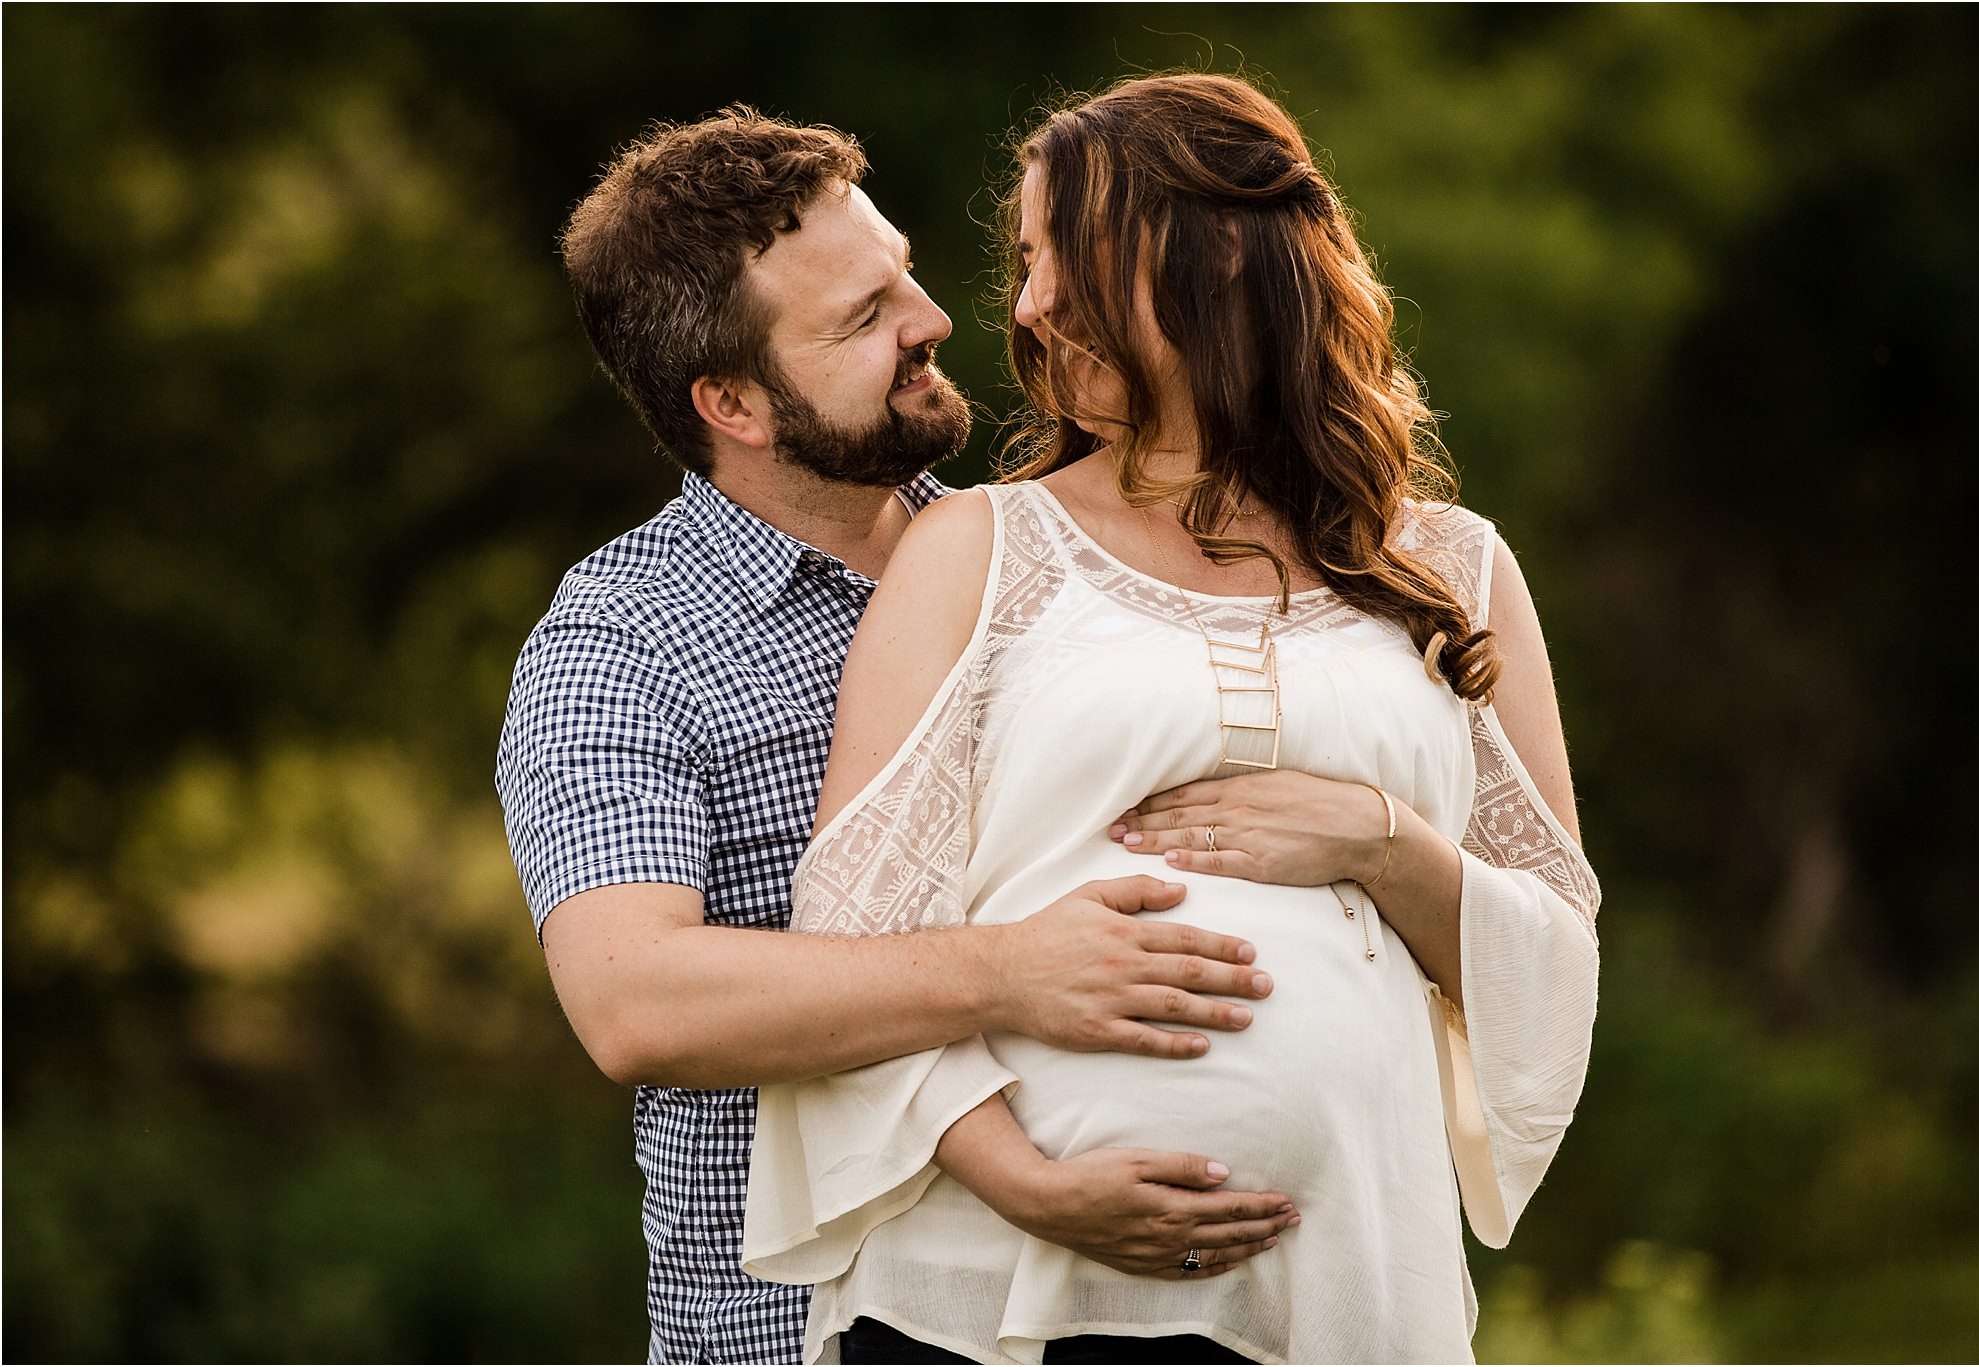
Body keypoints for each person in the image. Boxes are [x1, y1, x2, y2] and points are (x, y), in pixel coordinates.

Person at [740, 74, 1602, 1364]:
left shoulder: (1448, 568)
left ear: (1204, 262)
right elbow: (856, 927)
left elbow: (1552, 955)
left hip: (1337, 1291)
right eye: (1022, 262)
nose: (1025, 305)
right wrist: (1023, 1177)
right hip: (993, 1294)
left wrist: (1378, 840)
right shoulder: (978, 544)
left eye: (1059, 258)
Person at [495, 109, 1307, 1365]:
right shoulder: (623, 643)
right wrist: (1008, 969)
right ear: (733, 403)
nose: (931, 320)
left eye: (903, 273)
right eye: (861, 319)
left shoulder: (1035, 545)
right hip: (797, 1333)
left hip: (1113, 1321)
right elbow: (633, 1000)